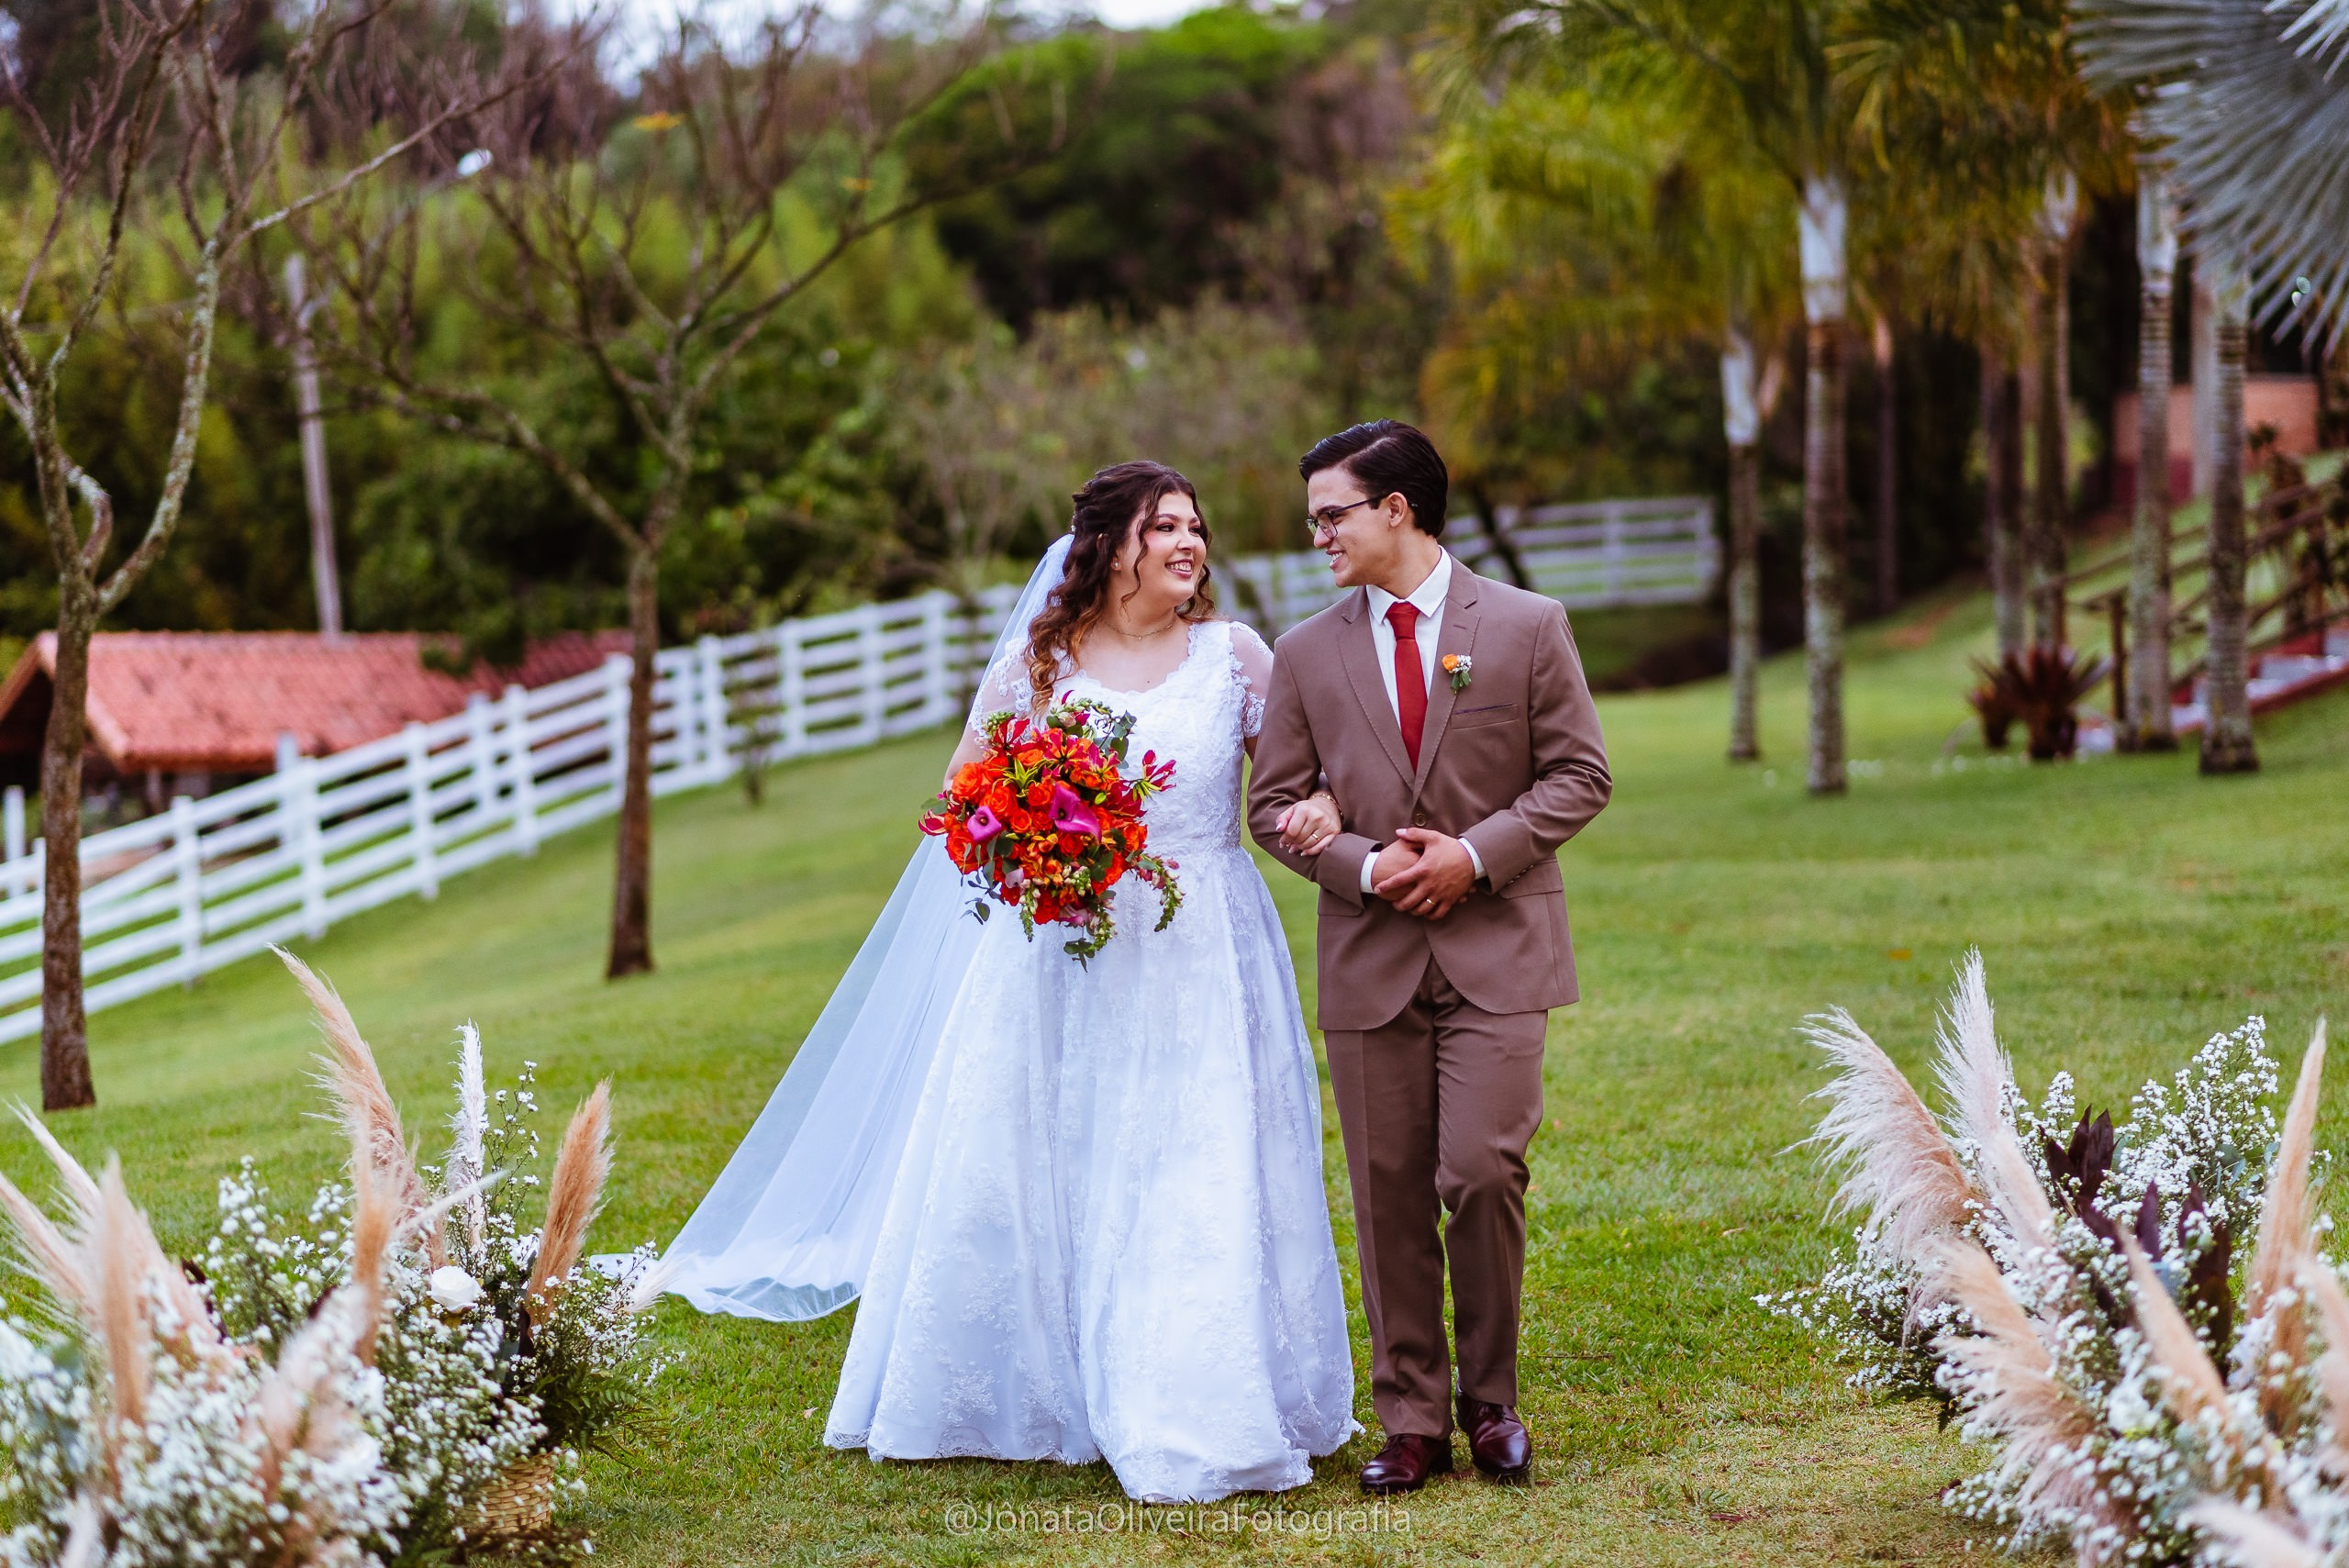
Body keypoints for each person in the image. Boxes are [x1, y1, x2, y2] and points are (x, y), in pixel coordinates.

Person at [660, 461, 1357, 1503]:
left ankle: (1196, 1391)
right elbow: (962, 802)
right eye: (1165, 526)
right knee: (1054, 1153)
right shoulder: (1044, 662)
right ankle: (1044, 1379)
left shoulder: (1234, 655)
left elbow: (1308, 777)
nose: (1189, 544)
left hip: (1202, 941)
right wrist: (1037, 840)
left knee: (1196, 1152)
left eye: (1196, 528)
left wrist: (1330, 813)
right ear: (1109, 544)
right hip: (1057, 954)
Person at [1247, 420, 1611, 1495]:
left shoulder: (1528, 625)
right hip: (1369, 959)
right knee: (1389, 1185)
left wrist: (1471, 854)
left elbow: (1579, 774)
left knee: (1481, 1170)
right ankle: (1410, 1414)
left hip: (1498, 947)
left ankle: (1490, 1399)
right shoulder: (1307, 653)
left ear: (1395, 509)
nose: (1316, 533)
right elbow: (1271, 805)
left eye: (1331, 513)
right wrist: (1363, 867)